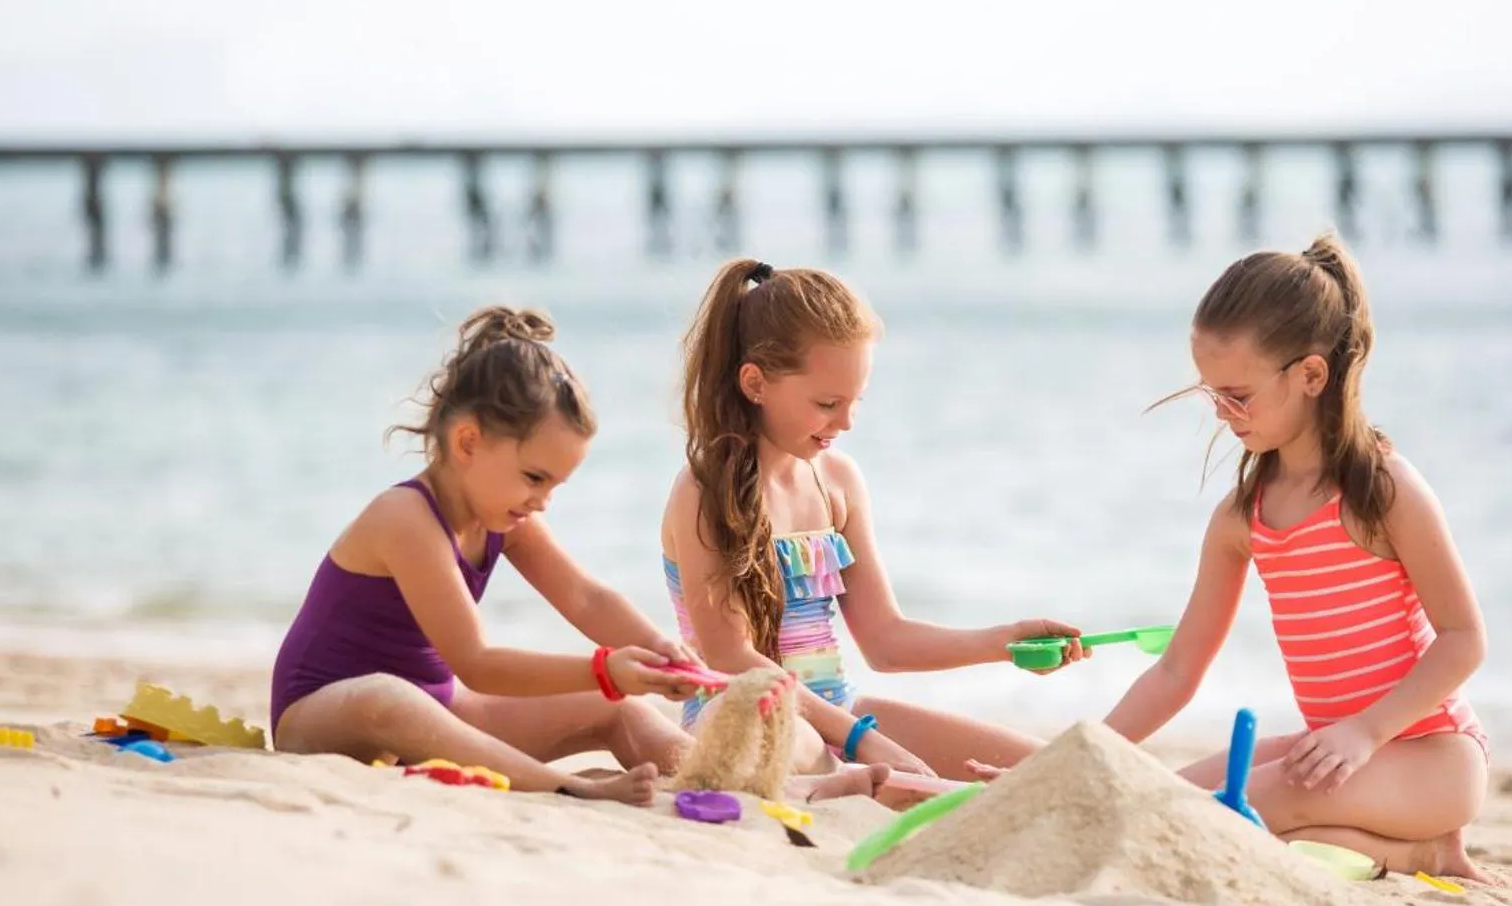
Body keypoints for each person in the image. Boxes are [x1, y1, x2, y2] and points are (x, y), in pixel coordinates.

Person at [270, 304, 877, 804]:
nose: (542, 501)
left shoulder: (504, 515)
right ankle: (567, 788)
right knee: (389, 697)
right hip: (327, 716)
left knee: (617, 712)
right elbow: (476, 661)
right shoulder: (405, 518)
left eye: (556, 486)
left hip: (438, 710)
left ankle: (765, 786)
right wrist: (606, 670)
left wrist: (668, 656)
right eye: (535, 478)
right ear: (467, 443)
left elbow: (586, 596)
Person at [1102, 235, 1490, 878]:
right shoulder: (1239, 518)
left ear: (1311, 375)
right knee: (1159, 795)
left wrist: (1366, 731)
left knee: (1197, 812)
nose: (1224, 414)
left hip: (1433, 758)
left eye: (1239, 395)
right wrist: (1094, 751)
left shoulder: (1382, 490)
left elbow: (1463, 639)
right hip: (1335, 755)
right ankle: (1419, 854)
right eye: (1211, 395)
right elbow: (1177, 671)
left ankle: (1425, 839)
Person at [660, 259, 1083, 785]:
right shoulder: (703, 492)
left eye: (855, 401)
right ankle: (880, 782)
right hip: (745, 722)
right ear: (755, 383)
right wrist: (863, 739)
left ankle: (878, 780)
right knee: (789, 732)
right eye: (827, 403)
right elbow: (731, 658)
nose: (846, 422)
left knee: (1060, 770)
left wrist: (1005, 643)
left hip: (839, 716)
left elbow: (886, 641)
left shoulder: (836, 481)